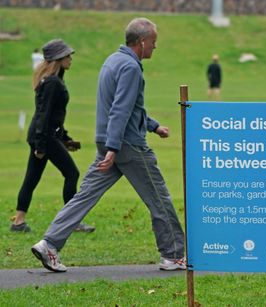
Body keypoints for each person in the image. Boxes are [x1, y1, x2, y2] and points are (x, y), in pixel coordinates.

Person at [31, 18, 186, 273]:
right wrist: (115, 147)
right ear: (142, 42)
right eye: (154, 43)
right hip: (126, 146)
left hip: (108, 143)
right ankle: (174, 255)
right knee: (159, 198)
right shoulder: (131, 68)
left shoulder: (113, 60)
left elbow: (128, 107)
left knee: (84, 196)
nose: (155, 48)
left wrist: (153, 126)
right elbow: (120, 109)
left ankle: (49, 244)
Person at [12, 39, 95, 233]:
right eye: (67, 55)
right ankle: (71, 222)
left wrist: (65, 138)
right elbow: (44, 114)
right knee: (72, 173)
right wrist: (41, 146)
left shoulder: (54, 80)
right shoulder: (52, 83)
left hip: (44, 136)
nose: (70, 59)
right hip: (44, 138)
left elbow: (53, 117)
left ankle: (18, 222)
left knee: (31, 179)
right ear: (58, 58)